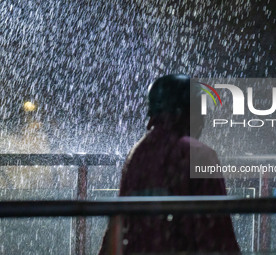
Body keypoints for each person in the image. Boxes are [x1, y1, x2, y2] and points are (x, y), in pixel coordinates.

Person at [99, 74, 240, 255]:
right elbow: (218, 234)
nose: (204, 122)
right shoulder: (199, 154)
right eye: (200, 113)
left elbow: (118, 227)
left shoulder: (137, 155)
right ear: (185, 113)